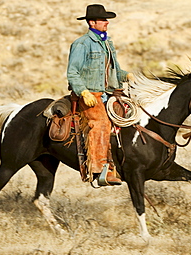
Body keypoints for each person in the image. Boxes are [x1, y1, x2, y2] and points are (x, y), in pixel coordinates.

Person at [67, 4, 134, 186]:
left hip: (108, 92)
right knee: (101, 123)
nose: (106, 23)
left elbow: (115, 71)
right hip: (91, 94)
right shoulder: (82, 44)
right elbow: (73, 72)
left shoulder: (107, 44)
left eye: (107, 20)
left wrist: (127, 75)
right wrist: (84, 92)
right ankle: (99, 169)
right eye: (103, 20)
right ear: (92, 22)